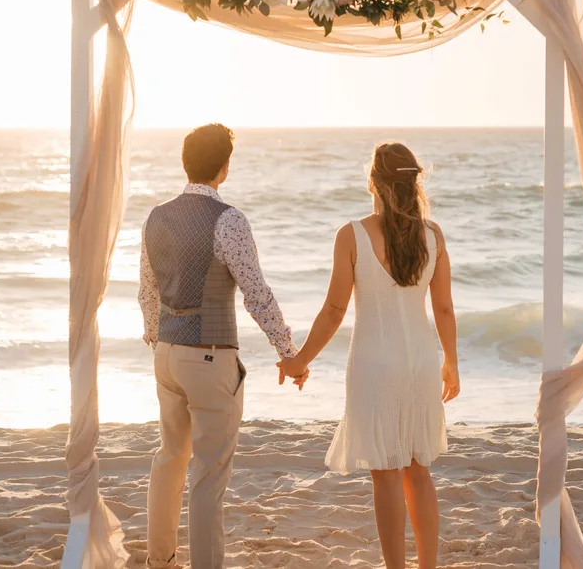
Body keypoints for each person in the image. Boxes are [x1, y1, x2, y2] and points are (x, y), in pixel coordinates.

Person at [278, 141, 460, 569]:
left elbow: (334, 311)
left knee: (385, 473)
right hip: (420, 363)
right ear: (413, 183)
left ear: (373, 183)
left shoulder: (353, 235)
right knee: (418, 468)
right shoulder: (433, 236)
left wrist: (300, 360)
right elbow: (445, 308)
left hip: (375, 366)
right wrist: (450, 362)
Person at [138, 123, 308, 569]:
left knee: (171, 457)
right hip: (210, 356)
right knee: (209, 474)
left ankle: (160, 561)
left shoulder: (155, 216)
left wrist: (159, 340)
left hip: (167, 355)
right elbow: (256, 292)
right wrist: (287, 352)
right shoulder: (228, 220)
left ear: (185, 162)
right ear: (224, 167)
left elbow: (147, 292)